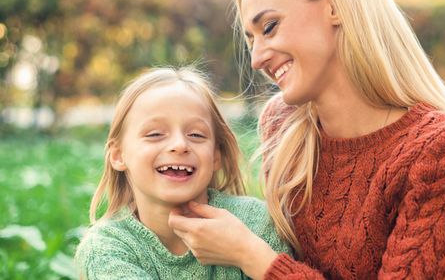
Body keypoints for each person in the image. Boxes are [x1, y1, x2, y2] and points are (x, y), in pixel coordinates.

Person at [168, 0, 445, 280]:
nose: (257, 58)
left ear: (337, 7)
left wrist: (254, 257)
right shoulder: (285, 126)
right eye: (251, 39)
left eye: (270, 27)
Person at [75, 66, 290, 279]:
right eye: (155, 134)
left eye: (196, 135)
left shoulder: (257, 225)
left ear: (215, 155)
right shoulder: (105, 250)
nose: (179, 145)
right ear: (118, 155)